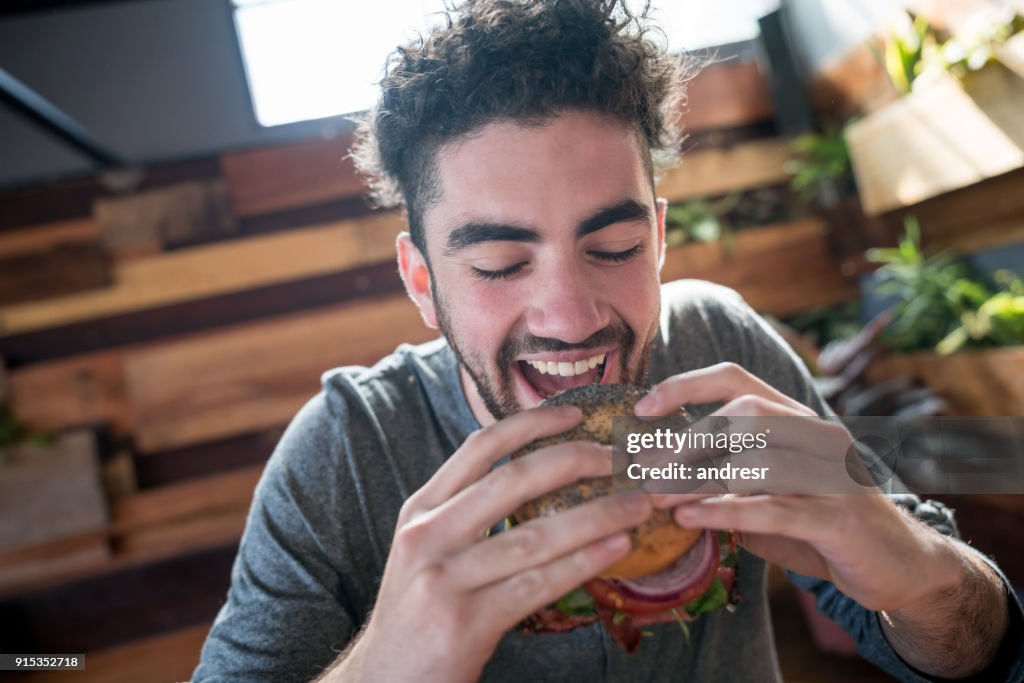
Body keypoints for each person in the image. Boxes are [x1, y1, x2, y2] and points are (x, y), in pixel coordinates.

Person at [193, 1, 1024, 681]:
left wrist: (919, 569)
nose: (570, 315)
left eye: (614, 249)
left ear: (659, 240)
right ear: (422, 282)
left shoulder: (718, 354)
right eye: (499, 262)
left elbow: (976, 649)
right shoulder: (344, 453)